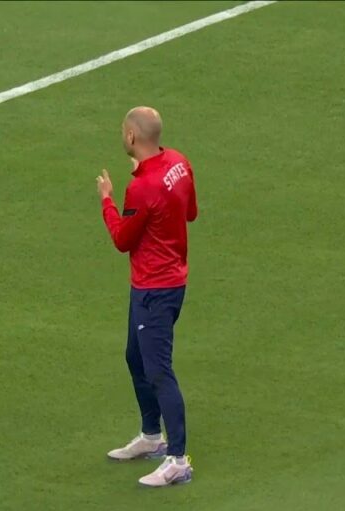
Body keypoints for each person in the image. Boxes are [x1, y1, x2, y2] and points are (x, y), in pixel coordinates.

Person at [95, 106, 198, 487]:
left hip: (155, 288)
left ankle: (177, 460)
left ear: (133, 137)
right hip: (162, 282)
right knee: (134, 356)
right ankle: (152, 436)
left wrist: (106, 200)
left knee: (158, 370)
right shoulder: (179, 164)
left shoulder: (141, 186)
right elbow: (190, 213)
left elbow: (123, 239)